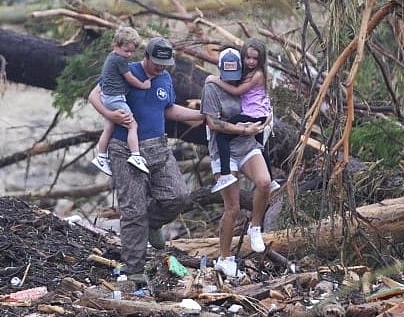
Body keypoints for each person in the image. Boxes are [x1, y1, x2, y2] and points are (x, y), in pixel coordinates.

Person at [88, 37, 203, 283]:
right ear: (147, 56)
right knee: (133, 210)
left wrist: (200, 115)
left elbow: (168, 109)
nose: (161, 68)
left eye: (165, 64)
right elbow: (94, 96)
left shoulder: (165, 78)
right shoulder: (125, 69)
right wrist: (110, 115)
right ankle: (134, 270)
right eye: (157, 63)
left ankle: (151, 224)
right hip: (124, 149)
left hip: (158, 146)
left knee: (178, 195)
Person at [200, 47, 273, 278]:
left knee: (265, 183)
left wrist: (266, 116)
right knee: (232, 207)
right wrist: (243, 128)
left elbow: (257, 99)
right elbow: (212, 123)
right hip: (223, 151)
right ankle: (224, 257)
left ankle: (255, 226)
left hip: (247, 144)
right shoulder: (211, 88)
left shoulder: (247, 79)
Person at [205, 38, 277, 193]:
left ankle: (225, 174)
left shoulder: (257, 75)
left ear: (261, 59)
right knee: (260, 146)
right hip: (259, 114)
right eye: (248, 57)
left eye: (255, 58)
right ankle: (271, 180)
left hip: (253, 115)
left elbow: (237, 91)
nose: (251, 61)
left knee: (221, 136)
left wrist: (215, 79)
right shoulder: (251, 73)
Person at [91, 26, 151, 176]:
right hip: (115, 98)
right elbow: (129, 78)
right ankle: (135, 155)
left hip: (107, 97)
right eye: (126, 51)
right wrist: (143, 85)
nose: (129, 55)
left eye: (131, 51)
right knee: (132, 125)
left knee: (109, 127)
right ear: (116, 45)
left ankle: (101, 156)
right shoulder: (119, 60)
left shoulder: (112, 57)